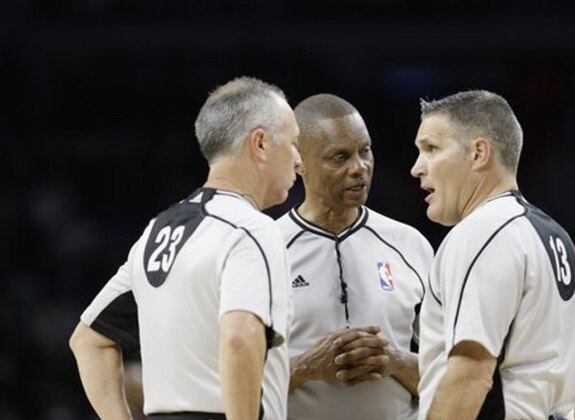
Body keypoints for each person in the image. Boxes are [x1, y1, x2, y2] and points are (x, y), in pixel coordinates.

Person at [69, 76, 302, 420]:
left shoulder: (157, 231)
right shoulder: (251, 230)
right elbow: (239, 338)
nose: (299, 160)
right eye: (294, 143)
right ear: (261, 143)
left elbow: (88, 340)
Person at [410, 90, 575, 419]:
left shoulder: (481, 233)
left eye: (431, 149)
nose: (416, 168)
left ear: (479, 153)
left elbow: (472, 371)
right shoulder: (559, 242)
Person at [276, 94, 434, 420]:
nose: (359, 168)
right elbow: (231, 384)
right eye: (339, 157)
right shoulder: (266, 249)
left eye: (365, 151)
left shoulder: (410, 245)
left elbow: (455, 374)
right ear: (298, 161)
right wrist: (305, 368)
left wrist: (394, 360)